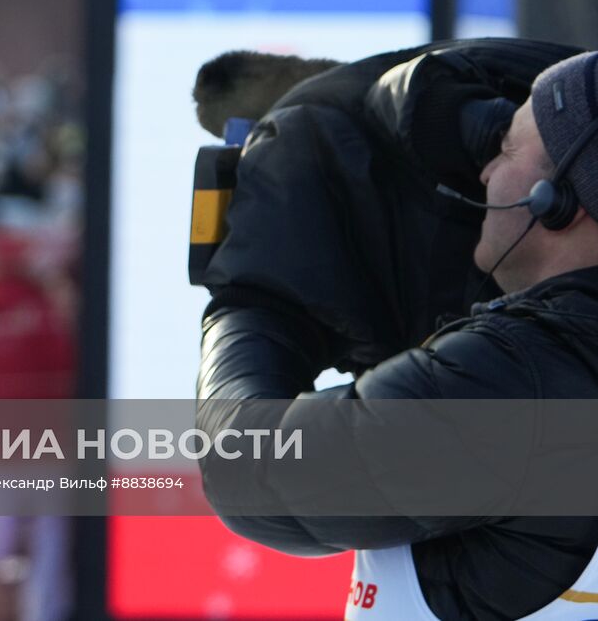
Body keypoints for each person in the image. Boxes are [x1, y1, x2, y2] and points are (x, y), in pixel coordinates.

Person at [197, 50, 598, 619]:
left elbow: (246, 466)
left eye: (505, 145)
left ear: (556, 204)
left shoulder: (520, 386)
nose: (483, 171)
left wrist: (248, 300)